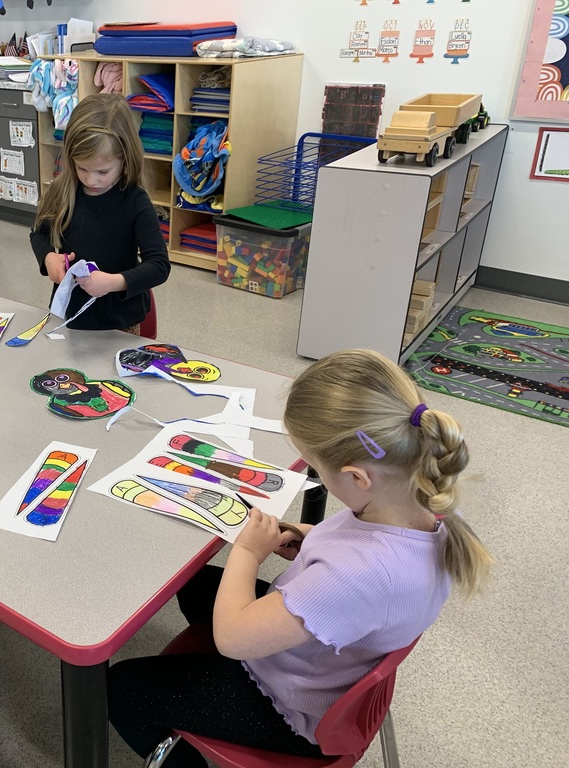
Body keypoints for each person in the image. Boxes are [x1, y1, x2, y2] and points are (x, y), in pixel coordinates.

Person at [108, 348, 493, 767]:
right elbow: (356, 544)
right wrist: (309, 537)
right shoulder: (422, 502)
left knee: (120, 689)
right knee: (194, 583)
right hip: (326, 652)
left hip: (286, 707)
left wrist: (248, 552)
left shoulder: (356, 576)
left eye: (317, 467)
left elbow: (232, 639)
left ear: (357, 477)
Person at [29, 93, 170, 333]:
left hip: (121, 324)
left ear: (124, 160)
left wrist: (113, 282)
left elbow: (159, 265)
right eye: (82, 168)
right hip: (69, 318)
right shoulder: (62, 191)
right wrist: (48, 258)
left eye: (103, 172)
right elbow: (38, 234)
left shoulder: (135, 201)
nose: (91, 180)